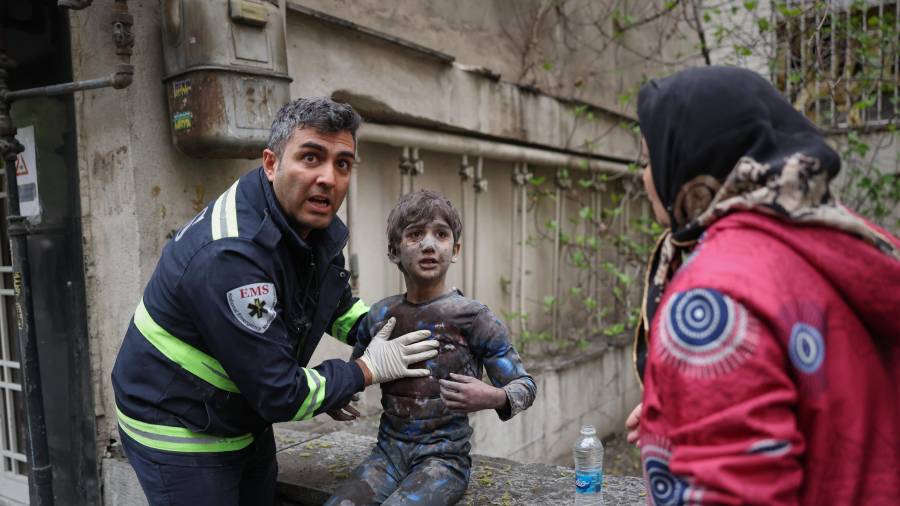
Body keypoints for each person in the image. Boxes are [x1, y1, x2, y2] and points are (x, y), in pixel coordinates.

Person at [111, 97, 439, 506]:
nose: (328, 178)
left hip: (239, 408)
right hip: (176, 423)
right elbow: (280, 393)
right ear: (271, 163)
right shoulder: (232, 256)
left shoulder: (308, 223)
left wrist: (384, 325)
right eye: (311, 157)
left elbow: (332, 304)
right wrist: (363, 370)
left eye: (342, 163)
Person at [629, 66, 900, 505]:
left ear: (690, 161)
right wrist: (694, 405)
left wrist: (709, 372)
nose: (644, 177)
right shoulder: (850, 243)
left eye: (649, 159)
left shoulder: (715, 301)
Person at [325, 190, 537, 506]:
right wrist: (337, 393)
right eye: (415, 235)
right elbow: (356, 371)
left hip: (444, 461)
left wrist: (494, 396)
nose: (429, 244)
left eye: (440, 234)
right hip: (387, 454)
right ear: (394, 250)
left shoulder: (473, 316)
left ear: (455, 249)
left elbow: (526, 386)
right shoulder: (381, 315)